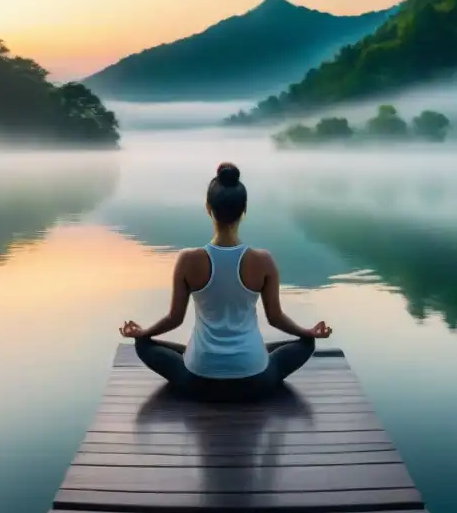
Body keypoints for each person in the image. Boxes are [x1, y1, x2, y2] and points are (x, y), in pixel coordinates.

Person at [119, 161, 332, 401]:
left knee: (143, 345)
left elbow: (174, 319)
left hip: (198, 379)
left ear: (208, 207)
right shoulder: (263, 260)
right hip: (256, 380)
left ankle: (196, 357)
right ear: (244, 209)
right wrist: (308, 331)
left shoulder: (188, 260)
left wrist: (143, 332)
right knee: (306, 344)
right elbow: (275, 318)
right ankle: (256, 356)